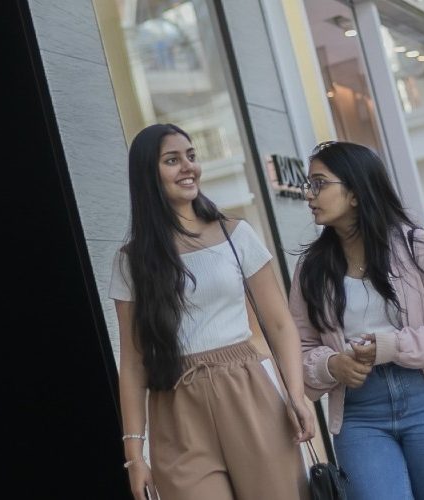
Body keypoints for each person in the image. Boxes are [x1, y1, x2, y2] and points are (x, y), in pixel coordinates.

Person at [110, 123, 314, 500]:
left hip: (247, 390)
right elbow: (133, 362)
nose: (188, 167)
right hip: (175, 405)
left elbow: (280, 324)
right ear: (147, 175)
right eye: (172, 160)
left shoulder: (235, 235)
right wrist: (134, 455)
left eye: (191, 156)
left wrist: (297, 395)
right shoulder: (131, 262)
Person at [289, 141, 424, 500]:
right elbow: (299, 348)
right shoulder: (310, 269)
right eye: (308, 185)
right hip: (360, 413)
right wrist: (332, 365)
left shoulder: (415, 246)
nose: (309, 194)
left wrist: (392, 346)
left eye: (319, 183)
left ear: (356, 192)